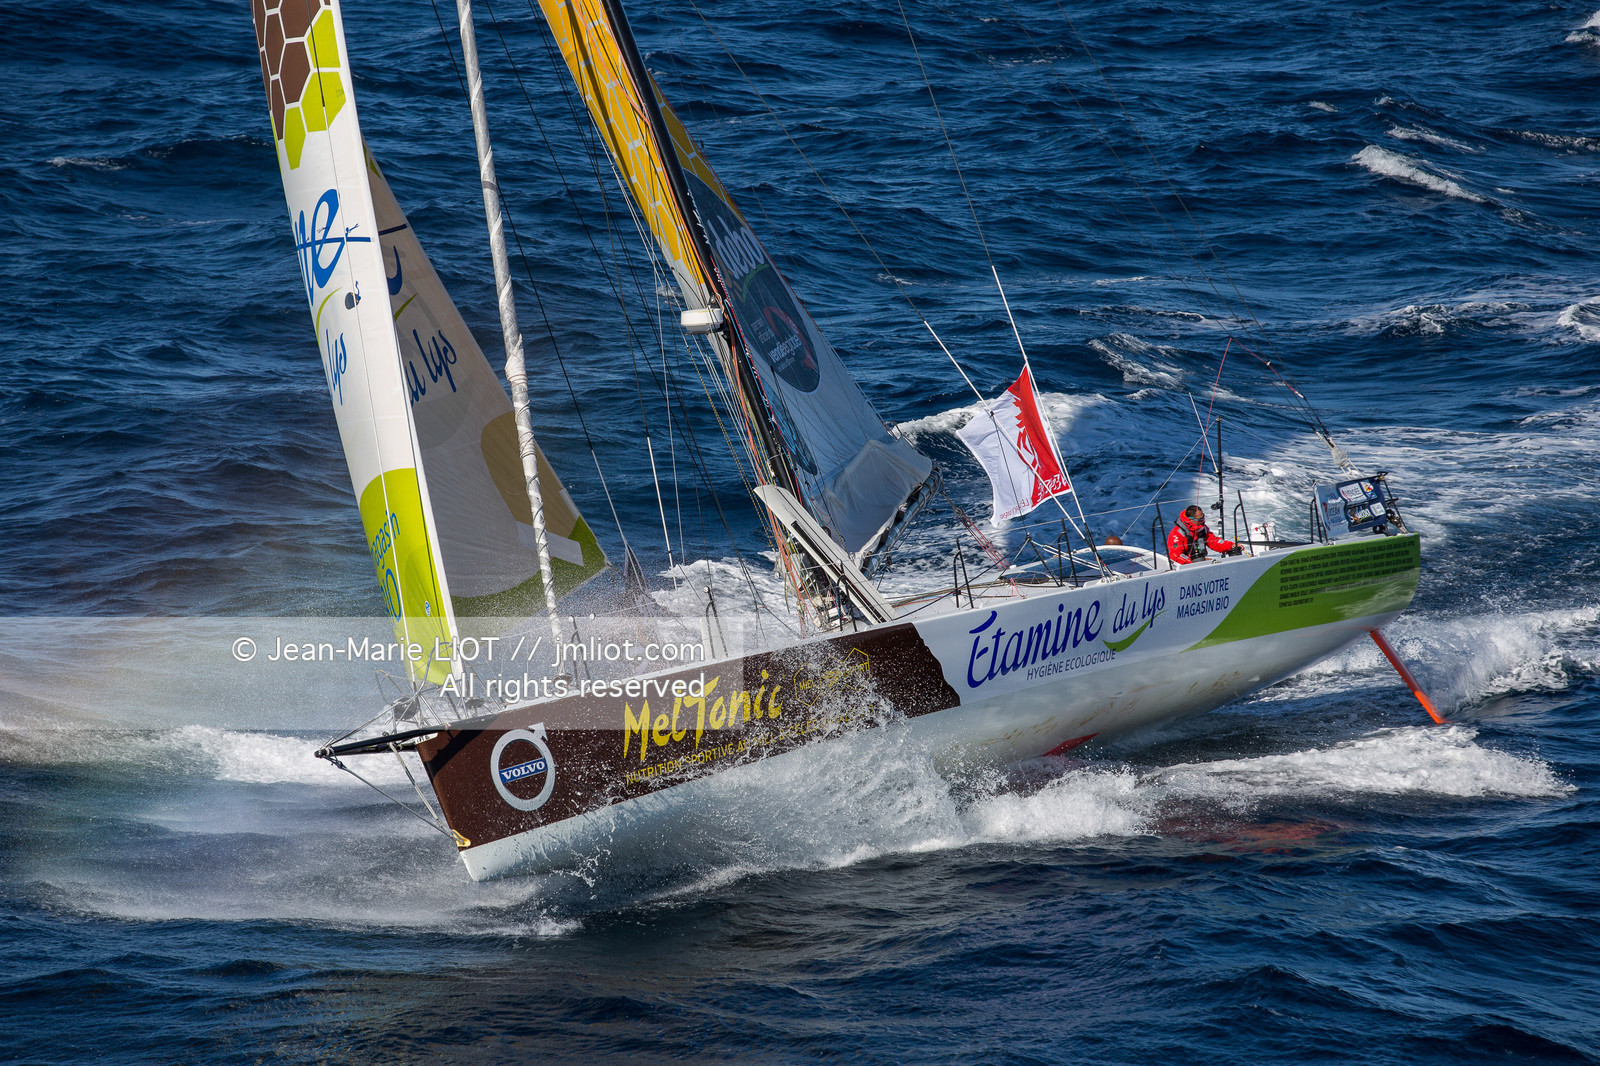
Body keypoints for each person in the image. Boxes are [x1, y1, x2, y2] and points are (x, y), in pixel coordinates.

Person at [1168, 504, 1237, 564]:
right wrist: (1194, 562)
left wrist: (1230, 545)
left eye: (1203, 517)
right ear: (1190, 519)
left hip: (1200, 562)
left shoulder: (1202, 528)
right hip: (1184, 566)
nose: (1203, 520)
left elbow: (1213, 541)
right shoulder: (1176, 534)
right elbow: (1175, 555)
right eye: (1199, 519)